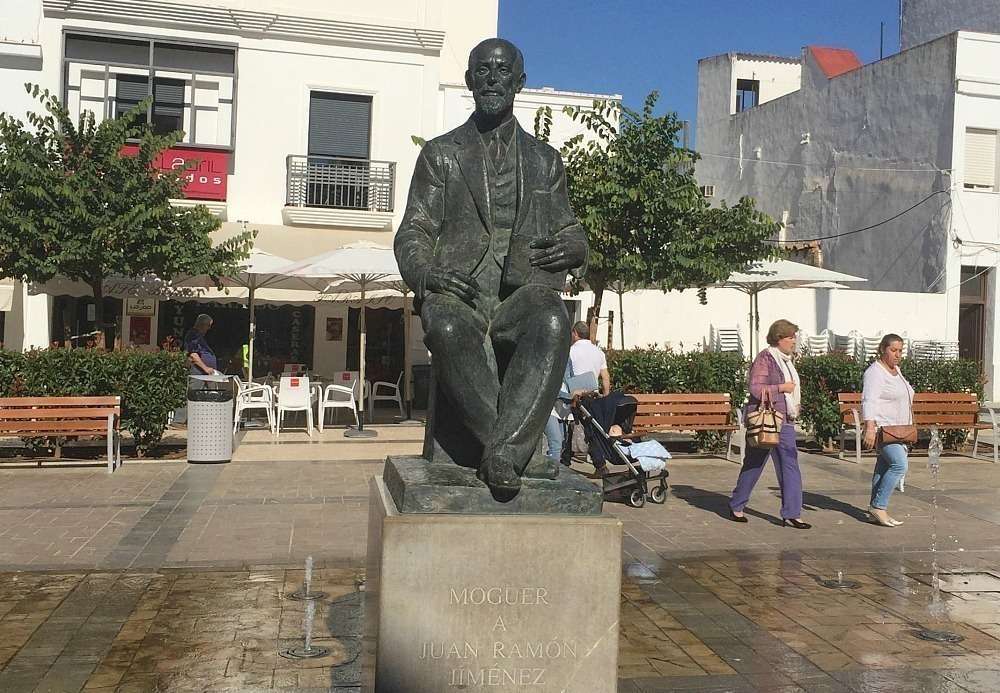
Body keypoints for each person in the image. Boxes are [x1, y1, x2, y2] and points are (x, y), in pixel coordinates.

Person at [394, 38, 587, 498]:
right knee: (443, 326)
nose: (492, 79)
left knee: (552, 318)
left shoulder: (545, 161)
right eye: (482, 70)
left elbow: (572, 229)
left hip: (519, 296)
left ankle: (501, 451)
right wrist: (426, 275)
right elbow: (413, 231)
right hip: (459, 291)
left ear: (519, 82)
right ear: (469, 80)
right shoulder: (441, 154)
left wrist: (574, 249)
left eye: (502, 71)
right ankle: (510, 453)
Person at [729, 319, 811, 529]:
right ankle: (737, 504)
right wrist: (781, 388)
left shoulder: (787, 361)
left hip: (785, 421)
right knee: (754, 464)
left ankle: (792, 513)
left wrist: (795, 405)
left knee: (790, 465)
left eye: (795, 336)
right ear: (778, 338)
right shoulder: (765, 359)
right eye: (790, 337)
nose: (794, 341)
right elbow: (756, 389)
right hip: (766, 421)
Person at [862, 333, 913, 527]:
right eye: (893, 350)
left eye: (900, 350)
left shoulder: (896, 371)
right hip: (884, 429)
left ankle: (873, 510)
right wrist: (870, 427)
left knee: (883, 468)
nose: (897, 354)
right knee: (899, 465)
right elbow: (869, 400)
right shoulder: (875, 372)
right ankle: (879, 506)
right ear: (883, 349)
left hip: (899, 428)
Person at [568, 321, 611, 396]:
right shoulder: (599, 352)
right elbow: (605, 378)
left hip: (574, 398)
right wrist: (605, 399)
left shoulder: (569, 352)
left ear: (575, 333)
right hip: (593, 398)